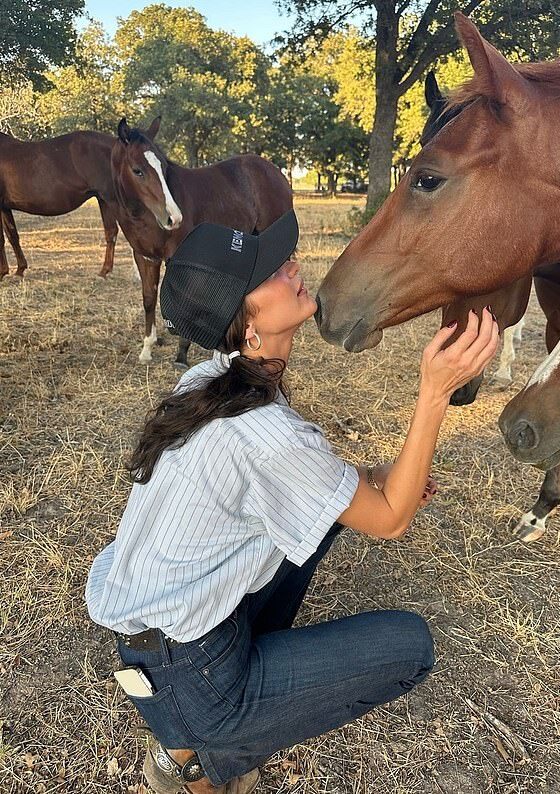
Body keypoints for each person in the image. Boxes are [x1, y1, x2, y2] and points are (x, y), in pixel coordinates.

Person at [85, 209, 498, 794]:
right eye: (273, 271)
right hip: (192, 673)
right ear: (249, 326)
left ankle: (188, 737)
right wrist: (434, 392)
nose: (294, 267)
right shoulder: (264, 432)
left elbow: (305, 481)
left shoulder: (207, 380)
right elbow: (392, 520)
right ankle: (199, 759)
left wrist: (378, 473)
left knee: (327, 513)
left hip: (155, 643)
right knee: (411, 646)